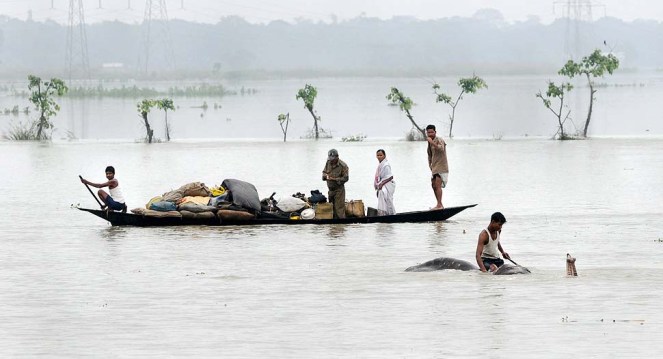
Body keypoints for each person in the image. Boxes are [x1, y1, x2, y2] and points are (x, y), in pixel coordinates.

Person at [426, 124, 448, 210]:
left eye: (432, 132)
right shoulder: (429, 142)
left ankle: (439, 205)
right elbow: (429, 155)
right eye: (428, 132)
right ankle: (439, 204)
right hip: (434, 166)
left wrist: (432, 142)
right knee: (433, 185)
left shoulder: (439, 140)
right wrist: (430, 164)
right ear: (426, 133)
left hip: (441, 166)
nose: (430, 134)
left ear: (435, 132)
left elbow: (441, 149)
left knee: (438, 185)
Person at [322, 149, 349, 219]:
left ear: (337, 157)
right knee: (331, 209)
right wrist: (325, 176)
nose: (331, 160)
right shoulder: (328, 162)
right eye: (330, 159)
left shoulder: (343, 166)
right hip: (330, 190)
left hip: (339, 190)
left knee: (339, 210)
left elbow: (346, 178)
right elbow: (324, 172)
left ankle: (341, 226)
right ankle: (333, 228)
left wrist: (334, 179)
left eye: (333, 159)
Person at [374, 149, 396, 215]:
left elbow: (390, 177)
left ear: (384, 155)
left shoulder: (386, 165)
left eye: (381, 155)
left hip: (387, 185)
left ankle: (391, 214)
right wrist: (379, 184)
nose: (379, 157)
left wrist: (381, 184)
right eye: (378, 155)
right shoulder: (380, 165)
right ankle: (385, 215)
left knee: (388, 201)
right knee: (384, 201)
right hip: (383, 185)